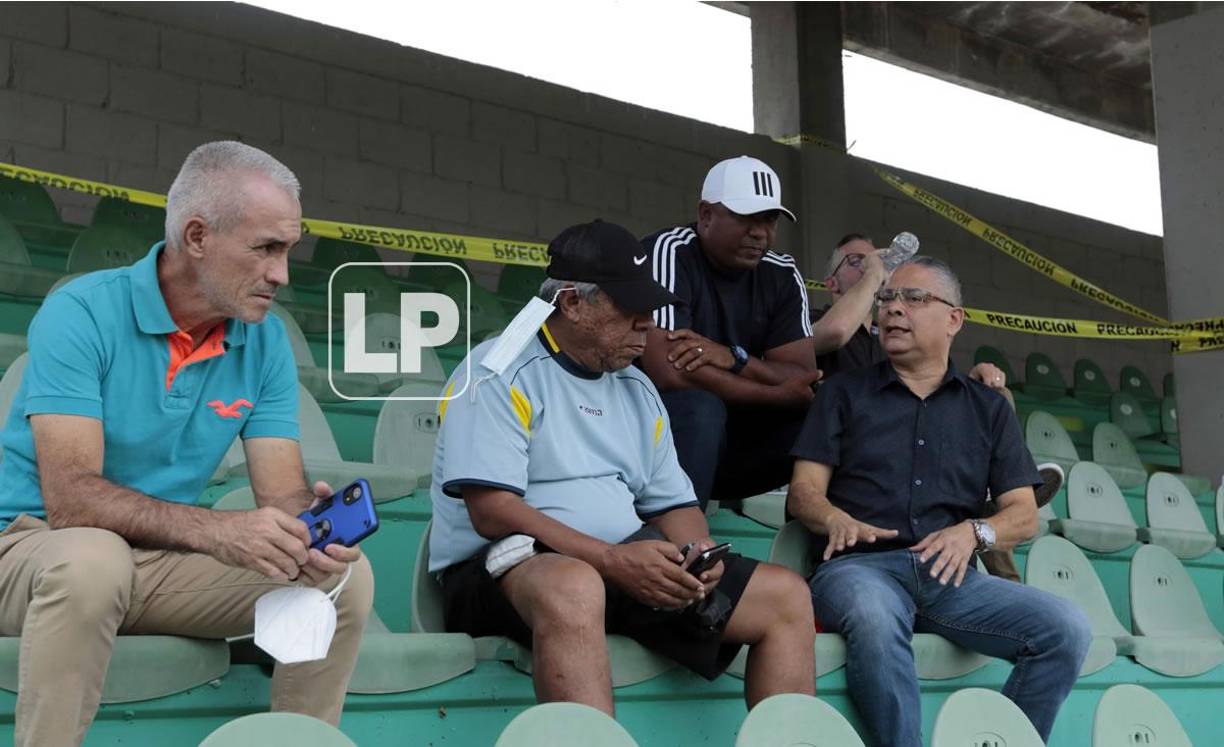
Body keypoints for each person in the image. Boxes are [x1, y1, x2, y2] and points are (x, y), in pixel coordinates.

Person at [0, 142, 374, 747]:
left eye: (288, 251)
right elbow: (71, 502)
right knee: (94, 558)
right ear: (197, 236)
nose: (281, 273)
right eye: (266, 248)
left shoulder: (265, 341)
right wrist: (217, 531)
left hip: (151, 563)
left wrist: (310, 525)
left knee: (341, 583)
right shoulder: (82, 311)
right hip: (32, 550)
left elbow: (281, 492)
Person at [429, 220, 815, 715]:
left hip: (617, 561)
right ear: (572, 302)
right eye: (630, 309)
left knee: (783, 596)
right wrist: (608, 561)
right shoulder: (495, 369)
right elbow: (493, 511)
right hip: (501, 565)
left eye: (649, 308)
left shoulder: (636, 386)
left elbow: (674, 503)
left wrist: (696, 554)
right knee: (574, 584)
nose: (648, 324)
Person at [787, 256, 1091, 747]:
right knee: (872, 613)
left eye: (913, 298)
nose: (892, 309)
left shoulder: (988, 408)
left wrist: (975, 532)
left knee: (1068, 628)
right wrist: (832, 516)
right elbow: (803, 492)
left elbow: (1023, 515)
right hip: (860, 569)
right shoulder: (843, 392)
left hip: (950, 576)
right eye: (887, 298)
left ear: (954, 319)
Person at [812, 234, 1064, 582]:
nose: (876, 267)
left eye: (911, 296)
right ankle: (990, 497)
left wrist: (973, 386)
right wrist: (875, 276)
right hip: (850, 467)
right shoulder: (820, 324)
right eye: (856, 261)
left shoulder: (888, 337)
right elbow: (837, 331)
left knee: (992, 398)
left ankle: (992, 494)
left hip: (927, 479)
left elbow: (931, 377)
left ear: (955, 320)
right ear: (830, 282)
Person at [638, 156, 821, 511]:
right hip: (659, 442)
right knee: (701, 407)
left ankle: (829, 546)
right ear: (705, 215)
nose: (760, 232)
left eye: (769, 220)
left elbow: (801, 377)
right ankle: (677, 541)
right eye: (746, 218)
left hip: (737, 445)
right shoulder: (669, 250)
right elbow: (668, 371)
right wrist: (776, 394)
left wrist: (733, 359)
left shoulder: (781, 272)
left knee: (829, 416)